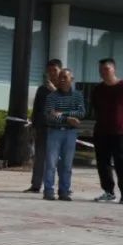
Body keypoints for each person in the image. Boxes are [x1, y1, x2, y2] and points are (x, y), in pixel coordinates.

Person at [90, 58, 123, 205]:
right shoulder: (98, 89)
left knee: (121, 163)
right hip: (101, 131)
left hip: (120, 132)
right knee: (103, 163)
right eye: (101, 70)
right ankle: (108, 192)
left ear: (114, 69)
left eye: (106, 69)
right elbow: (96, 108)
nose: (103, 72)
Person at [43, 68, 85, 202]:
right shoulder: (51, 97)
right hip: (54, 132)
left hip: (70, 133)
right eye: (60, 77)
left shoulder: (77, 96)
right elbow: (50, 115)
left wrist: (62, 114)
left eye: (65, 77)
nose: (61, 80)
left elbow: (81, 113)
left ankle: (64, 191)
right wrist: (67, 119)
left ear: (71, 79)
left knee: (67, 164)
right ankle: (48, 191)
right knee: (51, 163)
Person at [26, 59, 63, 193]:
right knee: (39, 157)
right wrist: (34, 124)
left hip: (58, 129)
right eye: (50, 71)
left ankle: (61, 186)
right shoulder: (42, 89)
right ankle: (36, 185)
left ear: (60, 71)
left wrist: (54, 90)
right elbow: (37, 108)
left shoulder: (64, 88)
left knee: (57, 159)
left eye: (55, 70)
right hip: (42, 127)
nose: (52, 73)